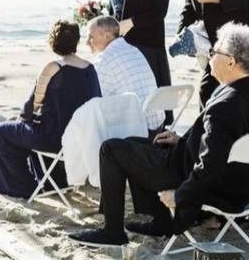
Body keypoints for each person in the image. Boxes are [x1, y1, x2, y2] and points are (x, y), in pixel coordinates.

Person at [70, 22, 249, 247]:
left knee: (110, 149)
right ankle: (161, 221)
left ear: (231, 62)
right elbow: (222, 142)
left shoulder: (225, 104)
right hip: (237, 185)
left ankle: (112, 231)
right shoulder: (239, 92)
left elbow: (209, 167)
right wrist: (182, 140)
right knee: (134, 142)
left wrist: (179, 196)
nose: (209, 56)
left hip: (186, 175)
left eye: (214, 52)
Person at [0, 20, 101, 198]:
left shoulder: (53, 68)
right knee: (26, 129)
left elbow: (31, 106)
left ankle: (23, 186)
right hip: (82, 139)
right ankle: (50, 181)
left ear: (53, 41)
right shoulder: (90, 69)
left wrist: (23, 119)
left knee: (0, 131)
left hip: (55, 140)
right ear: (76, 42)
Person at [86, 16, 162, 132]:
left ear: (107, 36)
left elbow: (95, 101)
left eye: (91, 37)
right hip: (156, 125)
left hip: (134, 131)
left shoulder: (103, 60)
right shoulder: (134, 50)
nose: (87, 42)